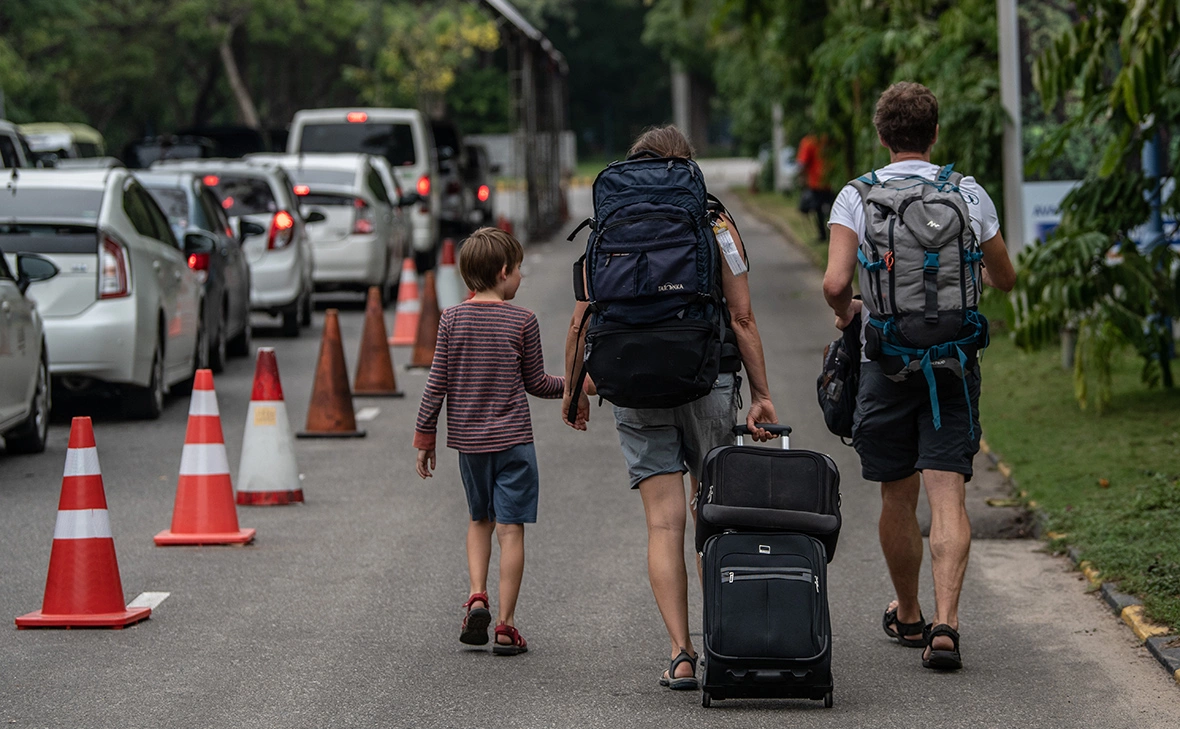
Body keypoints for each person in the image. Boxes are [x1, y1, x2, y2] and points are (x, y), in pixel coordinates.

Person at [562, 125, 778, 690]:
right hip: (704, 378)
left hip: (630, 380)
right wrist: (761, 393)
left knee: (663, 524)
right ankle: (725, 644)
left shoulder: (609, 221)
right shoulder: (715, 221)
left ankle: (681, 653)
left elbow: (584, 314)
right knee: (712, 518)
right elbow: (743, 317)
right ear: (687, 167)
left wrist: (575, 387)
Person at [822, 82, 1016, 670]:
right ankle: (948, 623)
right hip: (953, 364)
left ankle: (909, 613)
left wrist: (845, 313)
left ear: (881, 137)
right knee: (947, 494)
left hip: (886, 362)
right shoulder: (969, 193)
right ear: (935, 134)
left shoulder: (856, 196)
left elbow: (834, 284)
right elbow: (1005, 278)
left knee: (896, 495)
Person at [414, 227, 565, 656]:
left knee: (479, 519)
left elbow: (436, 383)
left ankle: (477, 594)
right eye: (518, 270)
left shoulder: (451, 320)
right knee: (510, 528)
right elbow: (536, 383)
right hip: (514, 443)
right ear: (503, 272)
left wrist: (426, 435)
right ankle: (505, 624)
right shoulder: (523, 321)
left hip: (469, 446)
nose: (520, 277)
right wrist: (575, 386)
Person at [796, 133, 834, 242]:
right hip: (830, 180)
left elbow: (802, 162)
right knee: (832, 208)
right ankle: (832, 233)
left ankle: (822, 235)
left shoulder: (808, 141)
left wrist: (801, 178)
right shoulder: (829, 139)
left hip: (816, 181)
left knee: (818, 210)